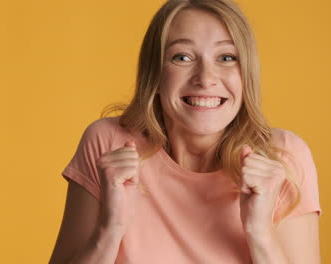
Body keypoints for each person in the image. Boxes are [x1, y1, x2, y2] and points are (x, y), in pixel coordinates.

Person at [49, 0, 322, 263]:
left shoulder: (283, 158)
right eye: (182, 57)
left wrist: (261, 233)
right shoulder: (108, 143)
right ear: (154, 73)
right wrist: (110, 228)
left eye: (226, 57)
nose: (205, 78)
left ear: (246, 74)